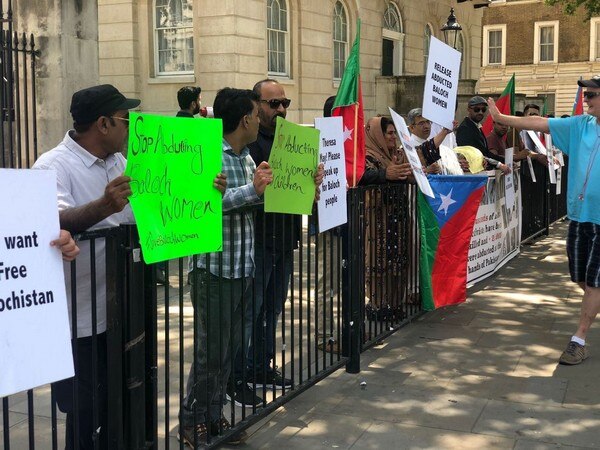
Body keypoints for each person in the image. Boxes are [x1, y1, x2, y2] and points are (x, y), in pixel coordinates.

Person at [32, 84, 140, 450]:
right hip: (75, 318)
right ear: (104, 124)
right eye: (126, 119)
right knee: (82, 410)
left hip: (117, 308)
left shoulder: (119, 161)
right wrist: (104, 206)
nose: (131, 126)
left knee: (116, 401)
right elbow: (54, 219)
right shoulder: (52, 166)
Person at [487, 74, 600, 365]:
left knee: (593, 284)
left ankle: (579, 339)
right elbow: (539, 124)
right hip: (579, 217)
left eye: (591, 95)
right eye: (585, 95)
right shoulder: (580, 126)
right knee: (579, 276)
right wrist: (503, 117)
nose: (585, 100)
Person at [180, 87, 267, 445]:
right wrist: (252, 191)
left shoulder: (245, 156)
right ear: (245, 119)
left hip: (241, 267)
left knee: (228, 349)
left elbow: (244, 199)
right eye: (258, 114)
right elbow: (205, 204)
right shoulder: (208, 153)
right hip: (213, 270)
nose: (262, 119)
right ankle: (192, 419)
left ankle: (213, 416)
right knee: (210, 352)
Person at [245, 79, 324, 389]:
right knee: (252, 310)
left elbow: (303, 190)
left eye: (284, 103)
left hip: (285, 236)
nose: (280, 109)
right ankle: (241, 372)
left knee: (272, 308)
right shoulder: (250, 143)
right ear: (257, 106)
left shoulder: (295, 141)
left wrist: (313, 182)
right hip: (258, 241)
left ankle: (260, 367)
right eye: (273, 103)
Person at [360, 116, 412, 321]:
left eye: (394, 133)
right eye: (388, 133)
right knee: (379, 261)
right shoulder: (368, 155)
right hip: (378, 222)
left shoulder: (395, 155)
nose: (392, 137)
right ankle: (377, 305)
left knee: (397, 262)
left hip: (397, 218)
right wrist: (385, 173)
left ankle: (394, 303)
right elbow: (363, 176)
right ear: (377, 135)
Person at [456, 96, 510, 174]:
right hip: (472, 173)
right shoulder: (465, 128)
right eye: (477, 109)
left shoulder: (476, 127)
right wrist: (499, 165)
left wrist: (506, 162)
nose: (480, 112)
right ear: (468, 109)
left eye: (483, 110)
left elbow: (486, 153)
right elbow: (473, 154)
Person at [407, 107, 464, 175]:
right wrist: (427, 171)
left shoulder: (441, 148)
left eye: (428, 122)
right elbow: (410, 174)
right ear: (411, 128)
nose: (426, 126)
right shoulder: (407, 146)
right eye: (421, 123)